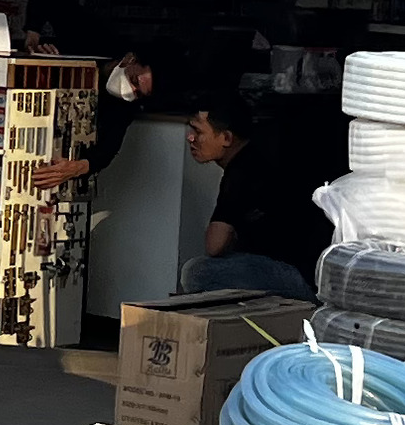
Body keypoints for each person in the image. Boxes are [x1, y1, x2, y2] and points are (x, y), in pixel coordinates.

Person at [175, 94, 312, 299]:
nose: (190, 137)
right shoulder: (258, 156)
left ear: (227, 138)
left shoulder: (243, 171)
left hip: (298, 277)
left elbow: (215, 244)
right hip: (300, 270)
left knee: (195, 272)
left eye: (198, 131)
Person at [32, 48, 155, 192]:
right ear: (129, 59)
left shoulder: (123, 108)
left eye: (138, 93)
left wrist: (77, 168)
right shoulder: (94, 46)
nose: (130, 90)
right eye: (134, 80)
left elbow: (108, 148)